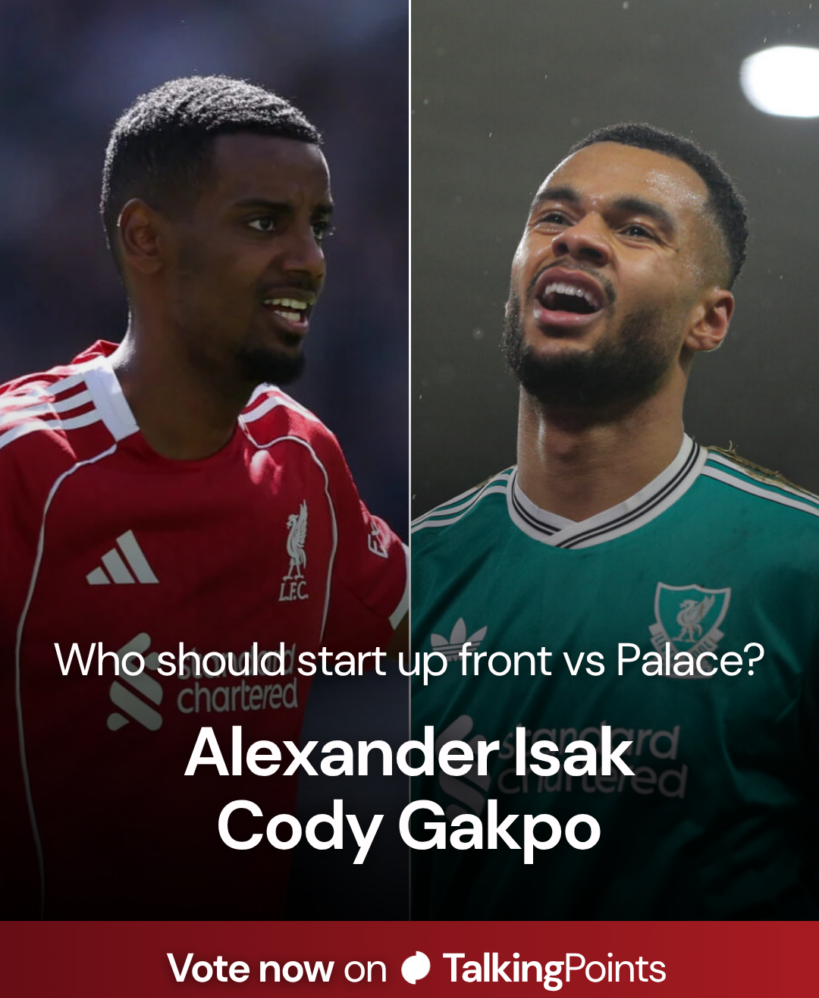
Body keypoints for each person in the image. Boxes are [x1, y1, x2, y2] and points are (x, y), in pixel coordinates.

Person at [0, 76, 408, 918]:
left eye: (317, 226)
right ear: (145, 238)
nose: (309, 258)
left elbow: (460, 635)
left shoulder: (300, 457)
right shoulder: (24, 466)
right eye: (264, 222)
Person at [411, 123, 819, 919]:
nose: (579, 240)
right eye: (552, 218)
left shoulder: (797, 566)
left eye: (635, 230)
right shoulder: (406, 574)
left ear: (710, 319)